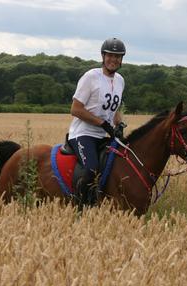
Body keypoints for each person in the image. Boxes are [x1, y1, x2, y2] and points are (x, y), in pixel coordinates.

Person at [68, 37, 127, 207]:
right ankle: (81, 206)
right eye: (110, 55)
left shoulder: (120, 80)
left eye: (117, 56)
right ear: (103, 56)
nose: (113, 59)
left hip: (106, 135)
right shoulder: (90, 77)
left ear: (121, 59)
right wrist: (101, 123)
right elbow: (76, 109)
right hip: (84, 134)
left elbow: (114, 109)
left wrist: (119, 124)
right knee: (92, 168)